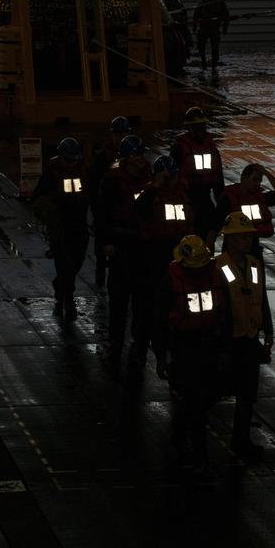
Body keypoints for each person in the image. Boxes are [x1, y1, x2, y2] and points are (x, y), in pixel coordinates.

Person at [153, 234, 227, 471]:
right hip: (184, 345)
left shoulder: (216, 277)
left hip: (210, 343)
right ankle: (198, 452)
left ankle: (180, 430)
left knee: (208, 395)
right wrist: (161, 356)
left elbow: (225, 312)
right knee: (194, 398)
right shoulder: (170, 284)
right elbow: (159, 322)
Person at [215, 211, 275, 461]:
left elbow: (262, 297)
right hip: (229, 339)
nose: (247, 241)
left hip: (249, 337)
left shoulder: (254, 264)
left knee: (248, 394)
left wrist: (268, 329)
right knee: (218, 390)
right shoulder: (217, 267)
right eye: (241, 237)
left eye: (249, 236)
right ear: (229, 239)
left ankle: (241, 440)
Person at [95, 134, 152, 366]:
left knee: (142, 300)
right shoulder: (111, 180)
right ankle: (116, 344)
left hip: (143, 245)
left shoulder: (150, 178)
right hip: (120, 244)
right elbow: (102, 213)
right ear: (126, 157)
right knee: (118, 300)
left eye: (141, 155)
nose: (140, 159)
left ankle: (138, 345)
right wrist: (106, 243)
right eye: (136, 155)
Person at [134, 155, 193, 362]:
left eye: (172, 176)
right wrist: (155, 186)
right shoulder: (149, 195)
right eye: (165, 176)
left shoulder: (183, 195)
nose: (170, 180)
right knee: (148, 303)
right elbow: (139, 211)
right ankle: (141, 344)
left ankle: (168, 344)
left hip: (178, 255)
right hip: (154, 255)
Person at [33, 137, 90, 321]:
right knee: (65, 265)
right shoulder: (51, 174)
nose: (71, 163)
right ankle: (68, 299)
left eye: (74, 160)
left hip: (79, 224)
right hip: (60, 227)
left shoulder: (83, 171)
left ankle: (60, 285)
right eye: (68, 160)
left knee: (78, 260)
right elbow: (38, 198)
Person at [169, 106, 224, 247]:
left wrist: (221, 206)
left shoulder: (212, 149)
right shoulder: (178, 149)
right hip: (185, 199)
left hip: (205, 199)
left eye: (202, 125)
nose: (200, 129)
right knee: (184, 238)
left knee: (207, 239)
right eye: (195, 126)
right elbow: (170, 177)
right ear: (188, 128)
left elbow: (219, 179)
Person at [87, 116, 131, 289]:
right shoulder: (104, 157)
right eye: (118, 134)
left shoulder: (133, 154)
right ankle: (100, 278)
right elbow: (93, 183)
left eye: (124, 133)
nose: (121, 137)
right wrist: (96, 206)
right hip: (105, 206)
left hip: (124, 209)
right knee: (101, 245)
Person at [218, 163, 275, 258]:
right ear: (243, 178)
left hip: (252, 248)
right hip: (232, 250)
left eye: (259, 181)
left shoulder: (260, 198)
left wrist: (266, 173)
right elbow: (215, 226)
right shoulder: (228, 199)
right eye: (254, 179)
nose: (257, 184)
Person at [193, 0, 230, 68]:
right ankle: (203, 62)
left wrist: (225, 28)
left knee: (215, 47)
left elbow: (225, 15)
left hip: (214, 27)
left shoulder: (219, 1)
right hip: (204, 26)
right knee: (201, 45)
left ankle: (214, 63)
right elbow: (196, 14)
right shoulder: (203, 1)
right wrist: (194, 27)